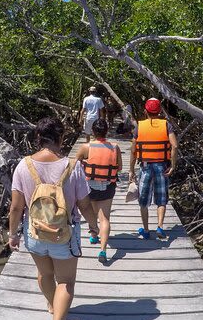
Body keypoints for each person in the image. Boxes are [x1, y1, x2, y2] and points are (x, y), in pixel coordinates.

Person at [8, 117, 99, 320]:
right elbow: (85, 205)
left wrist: (12, 234)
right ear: (61, 138)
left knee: (45, 274)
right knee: (66, 282)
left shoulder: (23, 166)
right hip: (64, 235)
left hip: (35, 233)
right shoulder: (72, 166)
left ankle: (52, 305)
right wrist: (94, 224)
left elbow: (16, 207)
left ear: (38, 139)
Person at [128, 98, 178, 240]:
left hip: (145, 166)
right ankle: (160, 227)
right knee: (161, 199)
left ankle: (146, 230)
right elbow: (174, 146)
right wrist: (173, 165)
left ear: (145, 111)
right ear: (160, 111)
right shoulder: (166, 125)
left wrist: (131, 170)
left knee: (143, 200)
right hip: (162, 166)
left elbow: (133, 150)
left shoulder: (139, 126)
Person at [76, 119, 122, 264]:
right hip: (108, 186)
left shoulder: (85, 147)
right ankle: (103, 250)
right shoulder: (115, 147)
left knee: (92, 211)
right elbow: (119, 168)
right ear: (107, 131)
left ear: (93, 132)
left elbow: (75, 165)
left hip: (90, 186)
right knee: (105, 218)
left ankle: (94, 234)